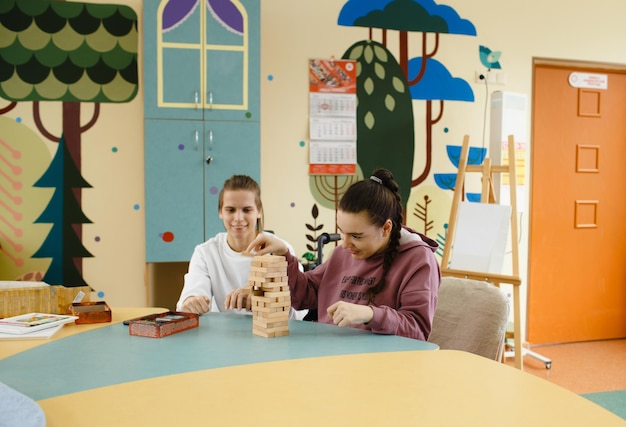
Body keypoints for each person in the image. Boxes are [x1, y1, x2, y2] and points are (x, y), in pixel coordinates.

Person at [244, 169, 441, 340]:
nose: (344, 244)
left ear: (386, 228)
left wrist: (370, 314)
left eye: (356, 235)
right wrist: (284, 254)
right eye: (342, 231)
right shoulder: (343, 253)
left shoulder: (419, 260)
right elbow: (304, 296)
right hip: (328, 360)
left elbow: (417, 330)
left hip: (380, 368)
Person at [176, 175, 306, 320]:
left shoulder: (280, 249)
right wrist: (192, 302)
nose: (238, 218)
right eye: (230, 210)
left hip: (271, 335)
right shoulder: (205, 252)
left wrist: (264, 298)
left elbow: (299, 310)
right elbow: (191, 294)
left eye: (247, 210)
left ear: (259, 211)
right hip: (224, 335)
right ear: (220, 212)